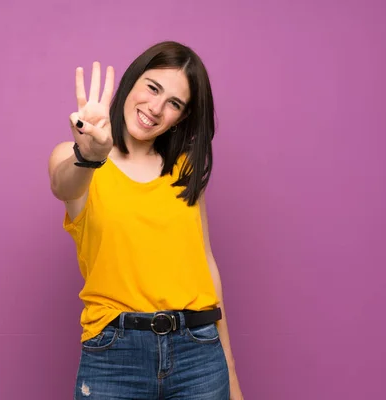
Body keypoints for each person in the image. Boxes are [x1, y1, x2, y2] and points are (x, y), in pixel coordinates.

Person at [48, 41, 244, 399]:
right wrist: (89, 156)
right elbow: (63, 185)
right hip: (113, 355)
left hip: (199, 353)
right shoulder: (76, 160)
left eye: (174, 103)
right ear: (132, 80)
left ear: (181, 118)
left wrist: (230, 371)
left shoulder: (185, 171)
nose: (155, 108)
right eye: (153, 87)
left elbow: (206, 265)